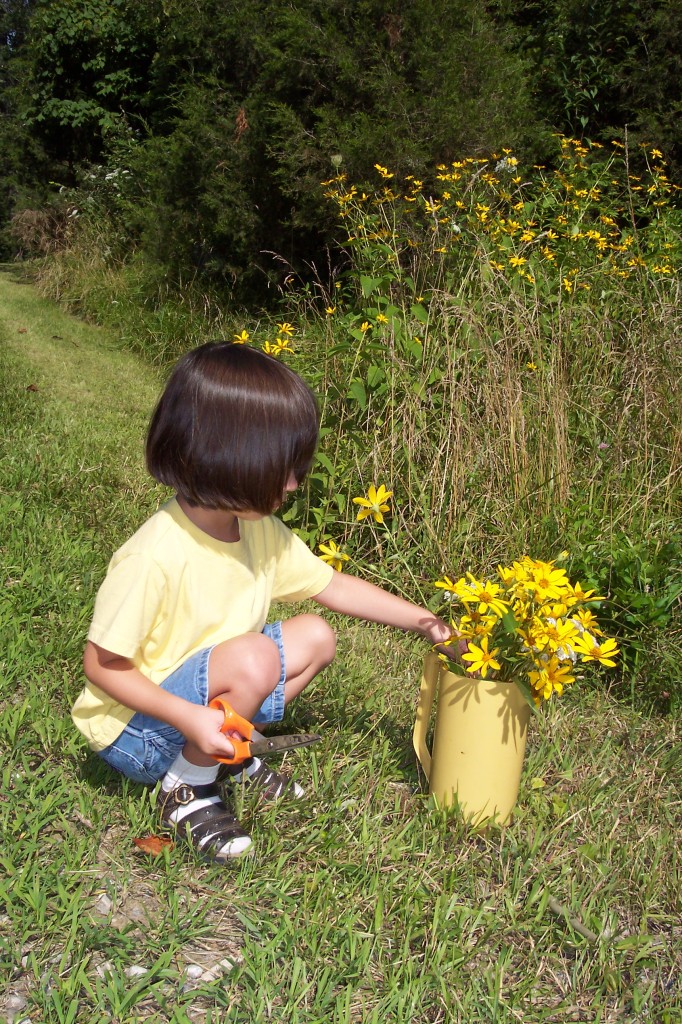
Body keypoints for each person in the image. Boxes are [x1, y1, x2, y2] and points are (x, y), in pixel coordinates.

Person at [72, 342, 452, 862]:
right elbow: (101, 665)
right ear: (230, 459)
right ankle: (185, 787)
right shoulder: (155, 554)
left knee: (315, 636)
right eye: (287, 466)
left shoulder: (258, 532)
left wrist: (423, 621)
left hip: (196, 706)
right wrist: (188, 718)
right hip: (136, 732)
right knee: (254, 655)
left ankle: (224, 753)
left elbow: (333, 588)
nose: (296, 481)